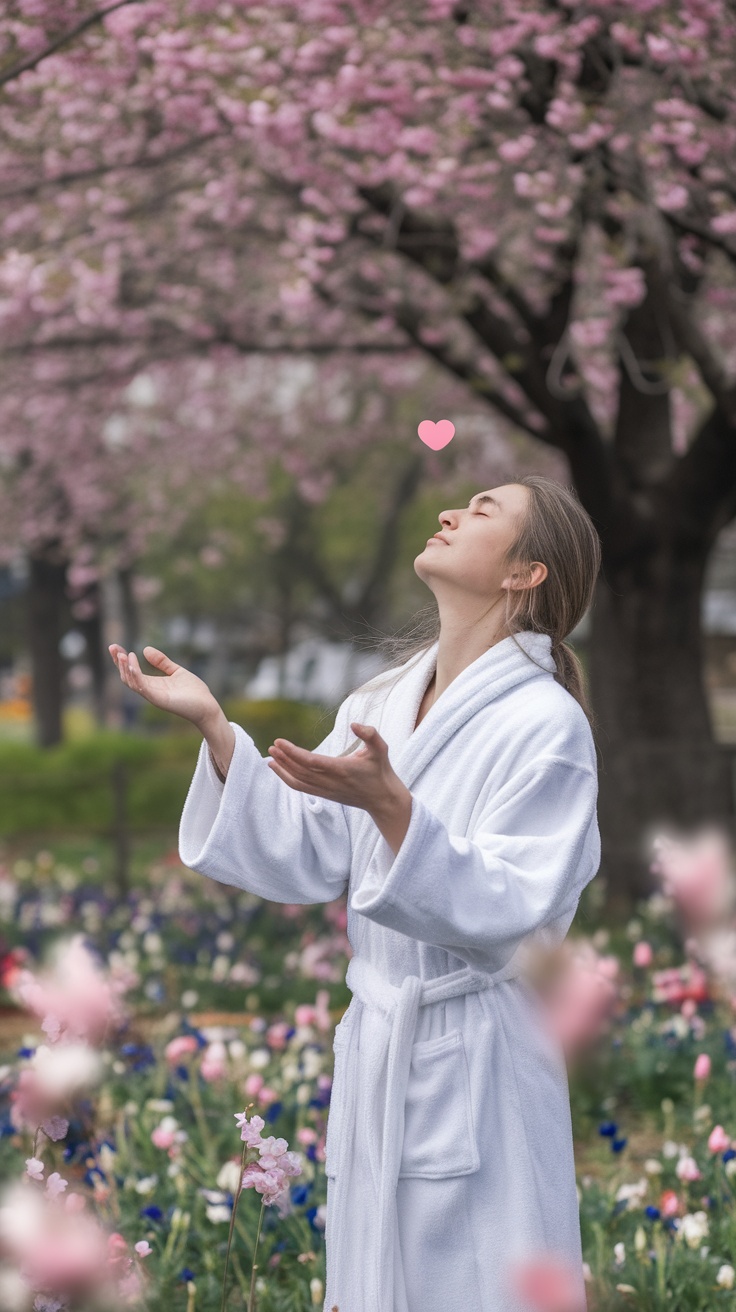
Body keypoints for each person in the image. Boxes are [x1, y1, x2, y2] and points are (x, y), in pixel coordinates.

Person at [109, 474, 602, 1312]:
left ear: (527, 573)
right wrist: (219, 733)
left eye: (484, 511)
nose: (450, 512)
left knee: (481, 1282)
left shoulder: (546, 727)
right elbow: (306, 852)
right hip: (382, 1039)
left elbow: (515, 908)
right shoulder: (383, 701)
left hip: (477, 1049)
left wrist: (393, 807)